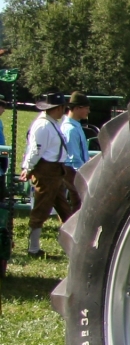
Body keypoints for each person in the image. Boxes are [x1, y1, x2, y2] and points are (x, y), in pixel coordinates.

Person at [22, 94, 72, 257]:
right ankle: (33, 248)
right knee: (41, 209)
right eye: (62, 108)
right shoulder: (43, 126)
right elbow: (36, 150)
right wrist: (28, 167)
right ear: (56, 108)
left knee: (64, 209)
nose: (64, 111)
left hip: (55, 171)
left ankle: (73, 244)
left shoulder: (52, 124)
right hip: (46, 171)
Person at [61, 92, 91, 216]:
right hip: (72, 170)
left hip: (74, 169)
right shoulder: (70, 129)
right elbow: (73, 157)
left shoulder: (75, 126)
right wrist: (84, 173)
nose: (88, 111)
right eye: (86, 108)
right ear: (78, 108)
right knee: (78, 202)